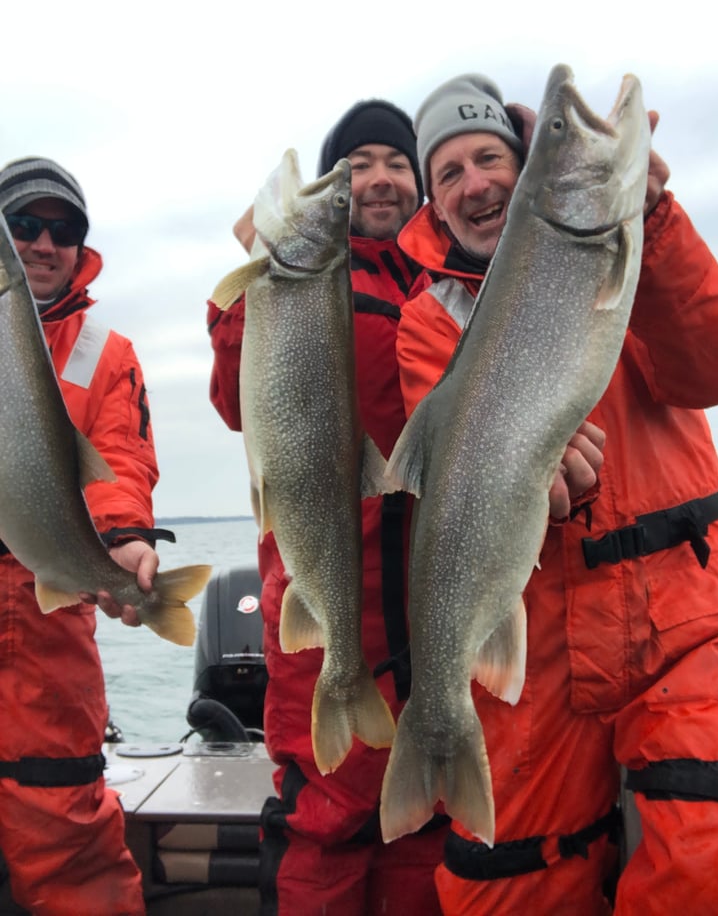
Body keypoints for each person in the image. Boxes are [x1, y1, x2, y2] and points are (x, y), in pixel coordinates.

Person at [395, 74, 718, 914]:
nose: (475, 181)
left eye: (491, 157)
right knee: (505, 883)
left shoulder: (627, 241)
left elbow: (717, 363)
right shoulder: (426, 320)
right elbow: (446, 468)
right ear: (435, 209)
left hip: (686, 605)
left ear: (524, 178)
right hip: (539, 626)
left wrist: (651, 215)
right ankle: (433, 735)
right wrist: (526, 479)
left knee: (713, 858)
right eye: (448, 173)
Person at [208, 101, 448, 915]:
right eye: (354, 168)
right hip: (318, 591)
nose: (377, 180)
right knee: (323, 828)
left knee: (424, 824)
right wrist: (249, 287)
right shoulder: (291, 282)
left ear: (419, 182)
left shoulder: (454, 281)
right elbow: (237, 404)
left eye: (395, 162)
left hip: (434, 603)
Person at [0, 157, 169, 916]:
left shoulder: (108, 351)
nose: (42, 243)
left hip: (48, 621)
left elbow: (120, 461)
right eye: (23, 226)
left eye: (62, 230)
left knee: (68, 840)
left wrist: (124, 538)